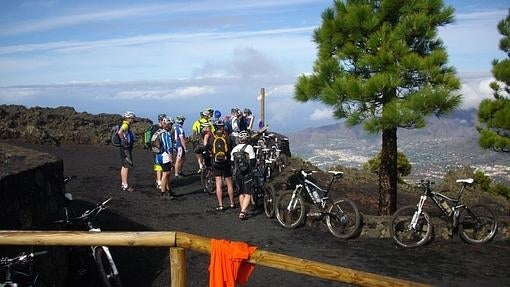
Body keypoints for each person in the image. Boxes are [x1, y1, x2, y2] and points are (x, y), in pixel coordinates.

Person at [208, 120, 235, 211]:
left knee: (218, 184)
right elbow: (232, 149)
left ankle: (221, 205)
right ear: (223, 127)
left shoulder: (212, 138)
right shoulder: (227, 137)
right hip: (226, 162)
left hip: (216, 163)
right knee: (229, 183)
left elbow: (209, 149)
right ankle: (232, 203)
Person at [231, 131, 256, 220]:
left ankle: (243, 210)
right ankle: (242, 212)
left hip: (237, 174)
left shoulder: (234, 149)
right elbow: (253, 162)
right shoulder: (249, 147)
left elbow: (232, 163)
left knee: (241, 193)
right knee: (248, 193)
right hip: (247, 173)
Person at [155, 116, 175, 199]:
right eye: (171, 124)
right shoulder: (166, 134)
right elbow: (168, 148)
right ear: (168, 124)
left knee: (167, 174)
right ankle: (163, 193)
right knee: (165, 174)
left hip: (158, 155)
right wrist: (171, 160)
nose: (172, 126)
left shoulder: (159, 132)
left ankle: (168, 190)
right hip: (165, 156)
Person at [118, 111, 136, 192]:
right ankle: (125, 185)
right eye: (132, 118)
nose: (133, 120)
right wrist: (124, 140)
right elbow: (120, 132)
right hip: (125, 148)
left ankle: (123, 184)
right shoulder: (125, 125)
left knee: (124, 165)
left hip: (124, 148)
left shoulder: (125, 124)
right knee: (126, 166)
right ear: (129, 118)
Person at [152, 114, 166, 190]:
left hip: (156, 149)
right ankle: (159, 182)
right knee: (159, 166)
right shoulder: (157, 128)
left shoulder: (155, 127)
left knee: (159, 165)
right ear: (161, 120)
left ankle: (159, 181)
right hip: (158, 149)